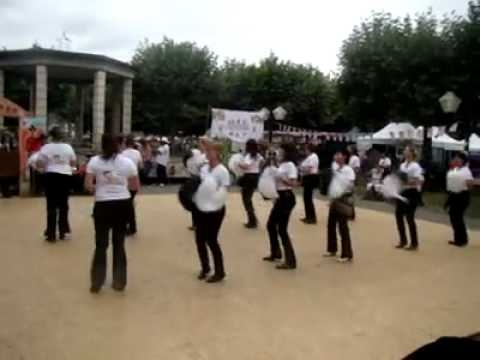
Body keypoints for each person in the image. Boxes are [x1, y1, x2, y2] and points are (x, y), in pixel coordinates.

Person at [85, 134, 140, 293]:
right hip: (122, 204)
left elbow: (88, 185)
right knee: (119, 243)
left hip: (102, 204)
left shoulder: (94, 162)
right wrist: (120, 187)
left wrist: (101, 188)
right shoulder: (127, 162)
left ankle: (97, 281)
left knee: (101, 244)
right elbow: (135, 186)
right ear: (119, 145)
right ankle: (119, 281)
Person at [192, 142, 230, 283]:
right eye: (207, 151)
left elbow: (224, 191)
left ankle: (220, 272)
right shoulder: (205, 169)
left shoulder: (222, 171)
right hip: (202, 208)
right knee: (199, 239)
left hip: (216, 209)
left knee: (211, 240)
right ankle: (205, 267)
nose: (207, 153)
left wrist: (214, 202)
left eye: (210, 151)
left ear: (218, 153)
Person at [37, 127, 76, 242]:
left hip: (51, 176)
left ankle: (51, 233)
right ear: (62, 136)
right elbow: (73, 162)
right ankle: (63, 230)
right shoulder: (68, 147)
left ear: (51, 136)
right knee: (64, 203)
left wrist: (44, 167)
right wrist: (72, 169)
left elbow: (40, 162)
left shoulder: (46, 147)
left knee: (51, 205)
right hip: (65, 176)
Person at [263, 143, 298, 270]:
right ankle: (276, 252)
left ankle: (290, 261)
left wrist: (282, 178)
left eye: (280, 152)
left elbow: (294, 183)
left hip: (286, 197)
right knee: (271, 225)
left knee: (282, 229)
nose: (278, 154)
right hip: (280, 197)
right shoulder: (281, 165)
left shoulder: (290, 165)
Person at [324, 149, 356, 262]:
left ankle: (347, 254)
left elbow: (351, 185)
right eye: (335, 154)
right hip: (335, 198)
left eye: (339, 154)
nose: (336, 156)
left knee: (343, 226)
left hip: (343, 199)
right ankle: (332, 249)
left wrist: (341, 190)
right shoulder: (334, 168)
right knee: (331, 224)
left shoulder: (348, 170)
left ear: (344, 157)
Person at [395, 146, 424, 251]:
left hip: (411, 192)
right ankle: (403, 240)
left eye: (407, 150)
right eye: (404, 151)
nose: (405, 152)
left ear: (412, 153)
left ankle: (414, 243)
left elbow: (419, 180)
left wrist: (407, 180)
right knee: (398, 215)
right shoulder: (402, 165)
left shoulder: (416, 166)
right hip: (402, 191)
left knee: (409, 217)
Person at [445, 152, 474, 247]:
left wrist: (464, 187)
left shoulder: (466, 171)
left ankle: (462, 239)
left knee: (458, 217)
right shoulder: (454, 170)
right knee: (453, 217)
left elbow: (470, 185)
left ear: (463, 160)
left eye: (458, 159)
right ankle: (458, 238)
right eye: (455, 159)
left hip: (462, 196)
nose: (456, 161)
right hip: (453, 195)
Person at [238, 139, 264, 229]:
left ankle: (252, 220)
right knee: (248, 199)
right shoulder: (258, 155)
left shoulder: (250, 156)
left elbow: (245, 166)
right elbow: (261, 164)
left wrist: (238, 164)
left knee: (246, 199)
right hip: (254, 176)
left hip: (249, 177)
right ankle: (252, 219)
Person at [186, 136, 209, 230]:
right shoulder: (198, 153)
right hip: (196, 180)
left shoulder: (208, 155)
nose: (199, 144)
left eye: (200, 142)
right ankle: (196, 224)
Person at [121, 135, 143, 236]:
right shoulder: (137, 153)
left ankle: (127, 225)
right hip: (134, 178)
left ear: (125, 144)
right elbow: (141, 166)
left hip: (124, 179)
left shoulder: (122, 154)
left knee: (126, 203)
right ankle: (131, 226)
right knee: (129, 202)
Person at [299, 143, 319, 224]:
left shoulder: (313, 157)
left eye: (306, 149)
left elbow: (309, 168)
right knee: (306, 198)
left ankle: (312, 217)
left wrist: (302, 169)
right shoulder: (310, 157)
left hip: (310, 177)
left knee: (308, 198)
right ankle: (308, 216)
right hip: (308, 177)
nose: (305, 151)